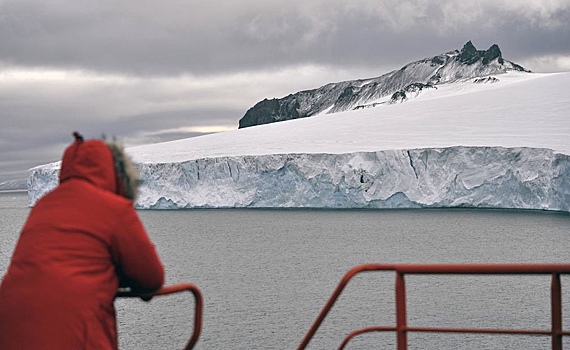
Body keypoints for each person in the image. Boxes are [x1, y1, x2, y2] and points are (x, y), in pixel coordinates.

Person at [0, 132, 165, 350]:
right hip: (71, 336)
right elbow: (151, 278)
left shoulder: (44, 205)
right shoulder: (114, 208)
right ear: (116, 173)